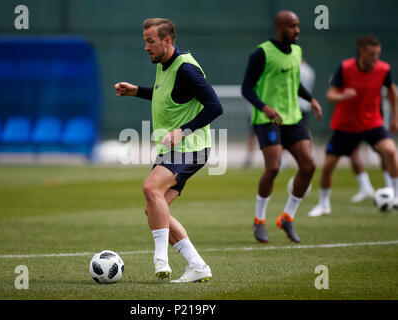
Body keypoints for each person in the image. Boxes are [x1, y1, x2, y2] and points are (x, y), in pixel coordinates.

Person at [114, 18, 223, 283]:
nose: (146, 47)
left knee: (151, 189)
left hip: (191, 147)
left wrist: (182, 131)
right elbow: (168, 97)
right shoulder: (165, 65)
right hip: (173, 150)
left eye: (150, 41)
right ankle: (197, 265)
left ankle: (160, 259)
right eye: (145, 41)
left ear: (167, 41)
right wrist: (137, 91)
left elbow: (215, 107)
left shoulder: (186, 69)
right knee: (154, 209)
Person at [241, 10, 322, 243]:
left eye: (297, 26)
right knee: (274, 168)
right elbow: (246, 88)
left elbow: (294, 82)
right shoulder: (262, 53)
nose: (297, 30)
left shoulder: (297, 51)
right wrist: (264, 107)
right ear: (280, 28)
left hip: (293, 118)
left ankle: (288, 216)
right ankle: (259, 220)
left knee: (308, 166)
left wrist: (311, 99)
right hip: (268, 119)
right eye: (292, 26)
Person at [309, 34, 398, 217]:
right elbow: (330, 95)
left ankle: (396, 195)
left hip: (372, 123)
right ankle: (324, 204)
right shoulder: (345, 68)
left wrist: (395, 118)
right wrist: (343, 95)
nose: (375, 58)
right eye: (371, 54)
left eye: (377, 54)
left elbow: (391, 91)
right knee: (327, 167)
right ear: (361, 52)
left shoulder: (383, 69)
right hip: (345, 125)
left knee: (390, 152)